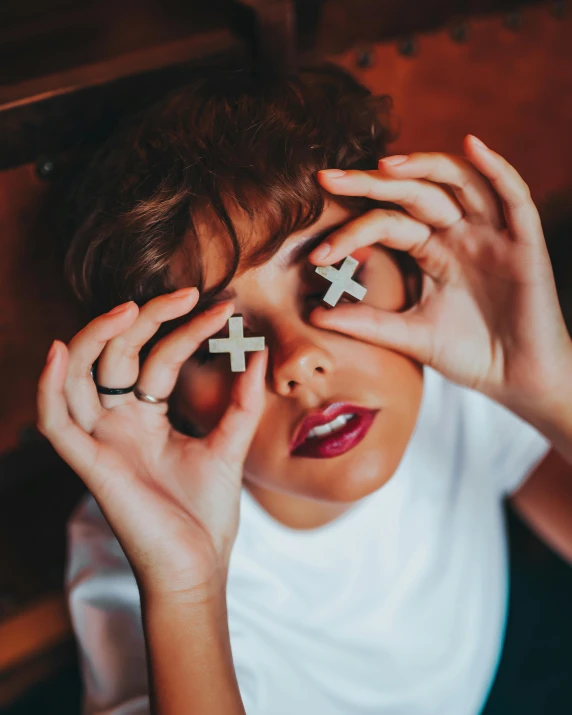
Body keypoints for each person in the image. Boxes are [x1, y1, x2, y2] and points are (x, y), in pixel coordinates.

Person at [36, 64, 572, 714]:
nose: (300, 360)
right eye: (221, 343)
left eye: (334, 282)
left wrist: (553, 391)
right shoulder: (140, 543)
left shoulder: (454, 386)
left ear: (409, 271)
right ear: (170, 399)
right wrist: (184, 589)